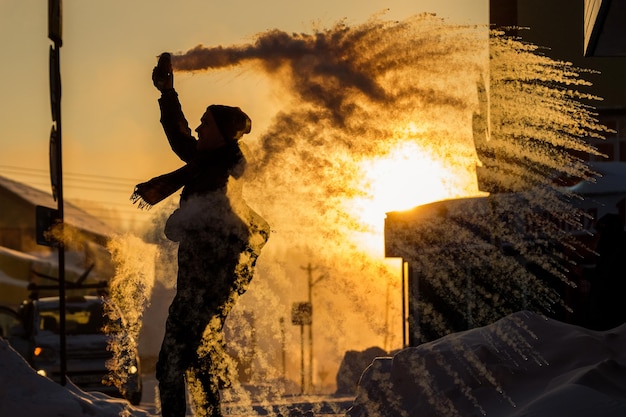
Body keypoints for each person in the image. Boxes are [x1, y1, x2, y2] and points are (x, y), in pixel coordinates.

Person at [131, 52, 269, 417]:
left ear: (222, 135)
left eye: (205, 123)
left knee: (171, 366)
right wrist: (167, 93)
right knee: (200, 363)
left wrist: (176, 224)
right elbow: (181, 141)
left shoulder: (217, 178)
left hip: (203, 289)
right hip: (199, 287)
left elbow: (191, 223)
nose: (198, 127)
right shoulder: (211, 162)